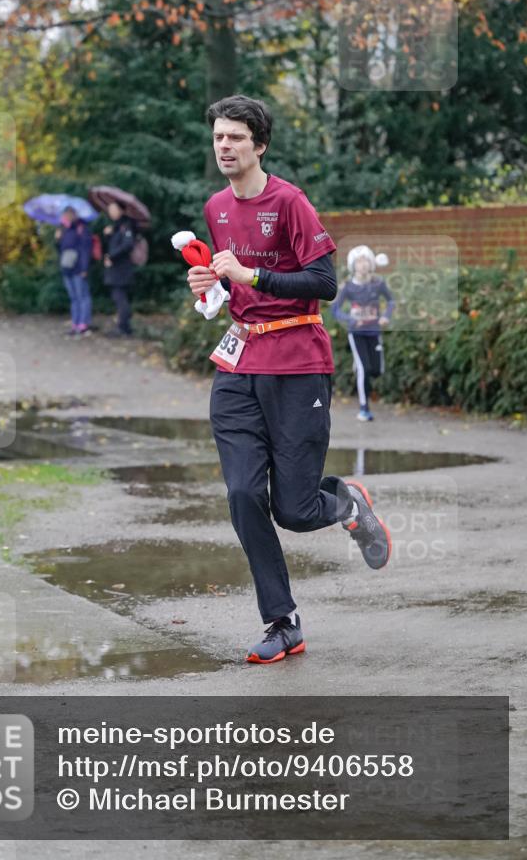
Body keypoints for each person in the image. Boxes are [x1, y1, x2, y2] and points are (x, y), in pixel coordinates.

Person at [187, 94, 391, 665]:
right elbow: (233, 290)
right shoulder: (216, 208)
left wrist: (251, 272)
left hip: (298, 363)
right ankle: (283, 622)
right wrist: (211, 289)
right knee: (244, 495)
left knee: (295, 511)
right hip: (237, 368)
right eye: (218, 137)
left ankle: (347, 503)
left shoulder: (290, 202)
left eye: (234, 138)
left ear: (260, 145)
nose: (224, 146)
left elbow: (324, 282)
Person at [331, 245, 395, 422]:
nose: (363, 264)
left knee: (376, 370)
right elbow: (335, 309)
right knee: (364, 369)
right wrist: (351, 320)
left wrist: (385, 317)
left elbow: (391, 301)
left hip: (374, 331)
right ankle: (364, 408)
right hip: (356, 333)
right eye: (359, 261)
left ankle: (359, 365)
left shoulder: (378, 283)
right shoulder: (348, 287)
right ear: (353, 265)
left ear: (371, 263)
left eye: (366, 260)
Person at [55, 207, 93, 338]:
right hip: (67, 268)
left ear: (74, 214)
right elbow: (61, 251)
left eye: (67, 214)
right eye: (64, 214)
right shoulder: (64, 230)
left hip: (78, 268)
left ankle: (84, 323)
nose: (65, 216)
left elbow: (85, 250)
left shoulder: (81, 229)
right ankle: (75, 323)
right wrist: (58, 240)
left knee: (82, 296)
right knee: (73, 297)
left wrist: (84, 268)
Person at [102, 201, 137, 337]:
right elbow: (111, 245)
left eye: (114, 209)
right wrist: (108, 235)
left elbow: (127, 245)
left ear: (121, 210)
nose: (111, 212)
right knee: (119, 297)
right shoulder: (115, 227)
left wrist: (112, 256)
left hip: (122, 269)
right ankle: (124, 326)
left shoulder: (126, 225)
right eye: (109, 209)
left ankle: (123, 327)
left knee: (120, 297)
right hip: (115, 269)